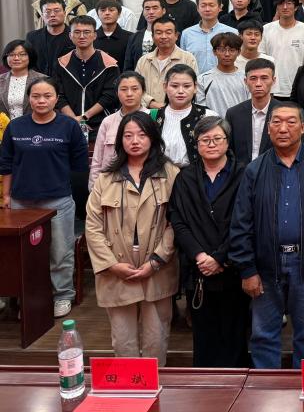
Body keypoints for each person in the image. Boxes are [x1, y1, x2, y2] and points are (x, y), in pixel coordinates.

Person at [229, 101, 304, 368]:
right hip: (265, 265)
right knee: (263, 335)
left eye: (290, 122)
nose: (283, 128)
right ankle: (267, 389)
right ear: (268, 129)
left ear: (303, 127)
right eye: (276, 122)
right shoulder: (254, 170)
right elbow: (241, 224)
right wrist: (247, 269)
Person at [84, 111, 179, 364]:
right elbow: (93, 226)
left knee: (156, 337)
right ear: (120, 141)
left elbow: (177, 223)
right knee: (122, 339)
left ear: (153, 138)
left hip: (156, 266)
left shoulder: (170, 174)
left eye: (142, 135)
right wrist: (111, 264)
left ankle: (153, 384)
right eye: (128, 136)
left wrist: (157, 260)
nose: (135, 141)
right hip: (116, 267)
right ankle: (129, 387)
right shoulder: (106, 178)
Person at [0, 77, 89, 317]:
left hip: (57, 200)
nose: (41, 101)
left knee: (60, 252)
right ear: (28, 98)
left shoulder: (68, 126)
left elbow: (79, 165)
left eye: (47, 96)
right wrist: (6, 196)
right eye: (36, 96)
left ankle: (62, 295)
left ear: (56, 98)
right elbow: (6, 164)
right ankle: (27, 298)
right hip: (21, 201)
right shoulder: (16, 126)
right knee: (23, 254)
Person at [89, 71, 154, 189]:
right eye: (123, 89)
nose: (129, 94)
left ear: (143, 92)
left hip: (145, 185)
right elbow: (97, 161)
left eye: (135, 89)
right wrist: (94, 189)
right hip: (110, 185)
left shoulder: (153, 118)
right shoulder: (108, 122)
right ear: (117, 93)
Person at [260, 0, 304, 98]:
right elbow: (261, 57)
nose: (285, 7)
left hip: (298, 88)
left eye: (289, 3)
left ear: (296, 7)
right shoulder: (266, 29)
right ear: (276, 7)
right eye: (281, 3)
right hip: (271, 89)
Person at [25, 0, 75, 76]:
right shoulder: (32, 37)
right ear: (42, 15)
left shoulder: (75, 36)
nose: (52, 15)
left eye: (57, 11)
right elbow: (29, 62)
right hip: (39, 80)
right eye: (47, 12)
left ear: (65, 13)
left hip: (67, 81)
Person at [0, 40, 45, 120]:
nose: (16, 58)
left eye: (22, 54)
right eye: (12, 54)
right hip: (5, 126)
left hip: (35, 125)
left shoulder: (43, 80)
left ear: (30, 56)